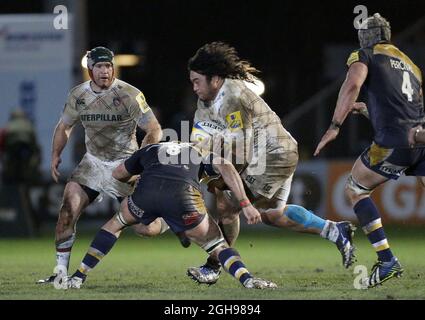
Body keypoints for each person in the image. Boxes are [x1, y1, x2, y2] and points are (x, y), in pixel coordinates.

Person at [186, 42, 356, 285]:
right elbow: (200, 138)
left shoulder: (233, 97)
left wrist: (233, 191)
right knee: (273, 215)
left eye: (197, 81)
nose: (193, 87)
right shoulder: (207, 101)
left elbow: (241, 153)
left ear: (215, 79)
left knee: (227, 205)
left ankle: (214, 265)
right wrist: (203, 159)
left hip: (272, 155)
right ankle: (334, 230)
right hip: (277, 151)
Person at [64, 141, 277, 290]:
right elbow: (227, 166)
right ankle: (248, 280)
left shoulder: (150, 149)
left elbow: (118, 174)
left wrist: (138, 176)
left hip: (146, 194)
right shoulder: (198, 151)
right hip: (183, 198)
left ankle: (78, 276)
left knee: (114, 224)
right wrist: (245, 203)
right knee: (218, 246)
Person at [314, 13, 423, 288]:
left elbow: (352, 84)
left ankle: (387, 260)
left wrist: (335, 125)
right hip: (420, 138)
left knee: (355, 189)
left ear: (367, 36)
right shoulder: (412, 65)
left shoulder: (364, 54)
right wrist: (367, 109)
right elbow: (407, 110)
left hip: (394, 142)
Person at [37, 46, 163, 284]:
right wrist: (55, 154)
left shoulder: (129, 94)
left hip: (124, 166)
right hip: (92, 163)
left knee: (146, 229)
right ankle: (60, 273)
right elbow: (64, 126)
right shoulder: (78, 95)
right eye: (99, 66)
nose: (105, 71)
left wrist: (141, 161)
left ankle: (165, 217)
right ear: (90, 69)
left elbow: (154, 129)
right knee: (66, 213)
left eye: (108, 66)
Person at [1, 108, 41, 184]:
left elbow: (3, 142)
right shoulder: (28, 125)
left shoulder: (8, 126)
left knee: (10, 163)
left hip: (12, 149)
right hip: (26, 148)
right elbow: (35, 143)